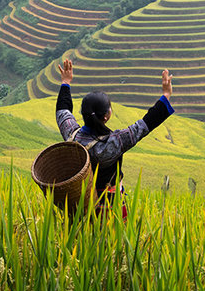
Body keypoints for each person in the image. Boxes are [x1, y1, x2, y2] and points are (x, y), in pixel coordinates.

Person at [55, 58, 174, 219]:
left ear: (83, 114)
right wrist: (165, 95)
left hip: (80, 205)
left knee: (81, 238)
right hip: (109, 207)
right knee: (112, 242)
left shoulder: (72, 135)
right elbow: (145, 124)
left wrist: (65, 82)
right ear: (106, 116)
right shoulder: (114, 142)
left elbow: (63, 111)